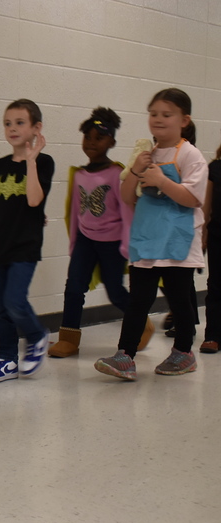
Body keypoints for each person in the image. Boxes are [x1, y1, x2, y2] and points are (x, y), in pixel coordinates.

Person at [94, 88, 208, 380]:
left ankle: (183, 352)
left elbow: (193, 199)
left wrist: (160, 180)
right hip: (147, 239)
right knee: (138, 300)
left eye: (166, 114)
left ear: (184, 120)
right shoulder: (146, 154)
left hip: (176, 241)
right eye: (153, 113)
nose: (158, 119)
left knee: (180, 299)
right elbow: (127, 196)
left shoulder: (191, 155)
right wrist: (135, 171)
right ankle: (125, 356)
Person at [49, 107, 154, 358]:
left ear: (112, 142)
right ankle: (69, 339)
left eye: (99, 137)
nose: (92, 142)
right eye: (88, 137)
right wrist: (74, 243)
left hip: (112, 242)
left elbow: (127, 210)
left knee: (115, 290)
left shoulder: (117, 174)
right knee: (74, 287)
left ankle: (141, 323)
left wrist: (127, 245)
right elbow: (75, 213)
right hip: (85, 240)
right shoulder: (80, 175)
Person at [0, 98, 54, 383]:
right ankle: (6, 360)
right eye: (8, 123)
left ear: (37, 128)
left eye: (20, 122)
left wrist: (31, 160)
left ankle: (36, 336)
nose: (12, 128)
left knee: (14, 300)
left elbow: (34, 200)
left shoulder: (44, 163)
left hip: (25, 246)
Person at [200, 141, 221, 353]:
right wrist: (203, 233)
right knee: (215, 285)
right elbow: (206, 206)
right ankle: (212, 335)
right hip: (218, 235)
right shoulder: (215, 167)